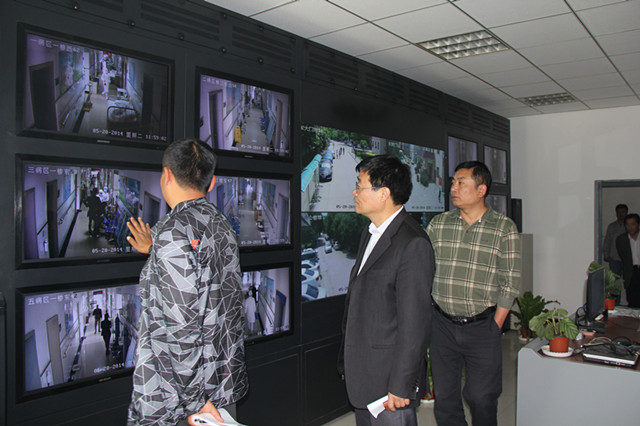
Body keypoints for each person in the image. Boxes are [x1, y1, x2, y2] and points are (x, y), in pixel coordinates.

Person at [125, 138, 248, 425]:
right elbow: (205, 283)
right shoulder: (221, 223)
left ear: (167, 174)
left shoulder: (172, 233)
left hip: (181, 400)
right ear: (211, 182)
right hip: (222, 383)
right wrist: (155, 249)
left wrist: (195, 401)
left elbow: (182, 327)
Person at [338, 154, 434, 426]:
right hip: (365, 374)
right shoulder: (370, 233)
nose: (354, 192)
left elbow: (415, 323)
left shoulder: (412, 243)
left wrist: (402, 384)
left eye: (360, 186)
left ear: (384, 194)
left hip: (390, 384)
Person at [426, 161, 521, 426]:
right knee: (445, 399)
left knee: (481, 396)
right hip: (442, 325)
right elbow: (423, 268)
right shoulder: (439, 224)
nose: (453, 188)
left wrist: (496, 324)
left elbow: (510, 281)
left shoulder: (503, 228)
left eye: (461, 182)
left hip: (482, 325)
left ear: (481, 190)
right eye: (453, 182)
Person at [616, 213, 640, 307]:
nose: (630, 227)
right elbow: (623, 256)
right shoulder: (621, 239)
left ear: (638, 224)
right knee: (632, 299)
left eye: (633, 224)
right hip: (631, 271)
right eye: (627, 225)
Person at [603, 204, 628, 279]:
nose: (620, 214)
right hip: (614, 259)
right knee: (615, 281)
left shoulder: (630, 226)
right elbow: (607, 241)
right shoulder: (612, 226)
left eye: (623, 212)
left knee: (628, 280)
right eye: (618, 212)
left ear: (626, 213)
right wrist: (606, 254)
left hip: (627, 259)